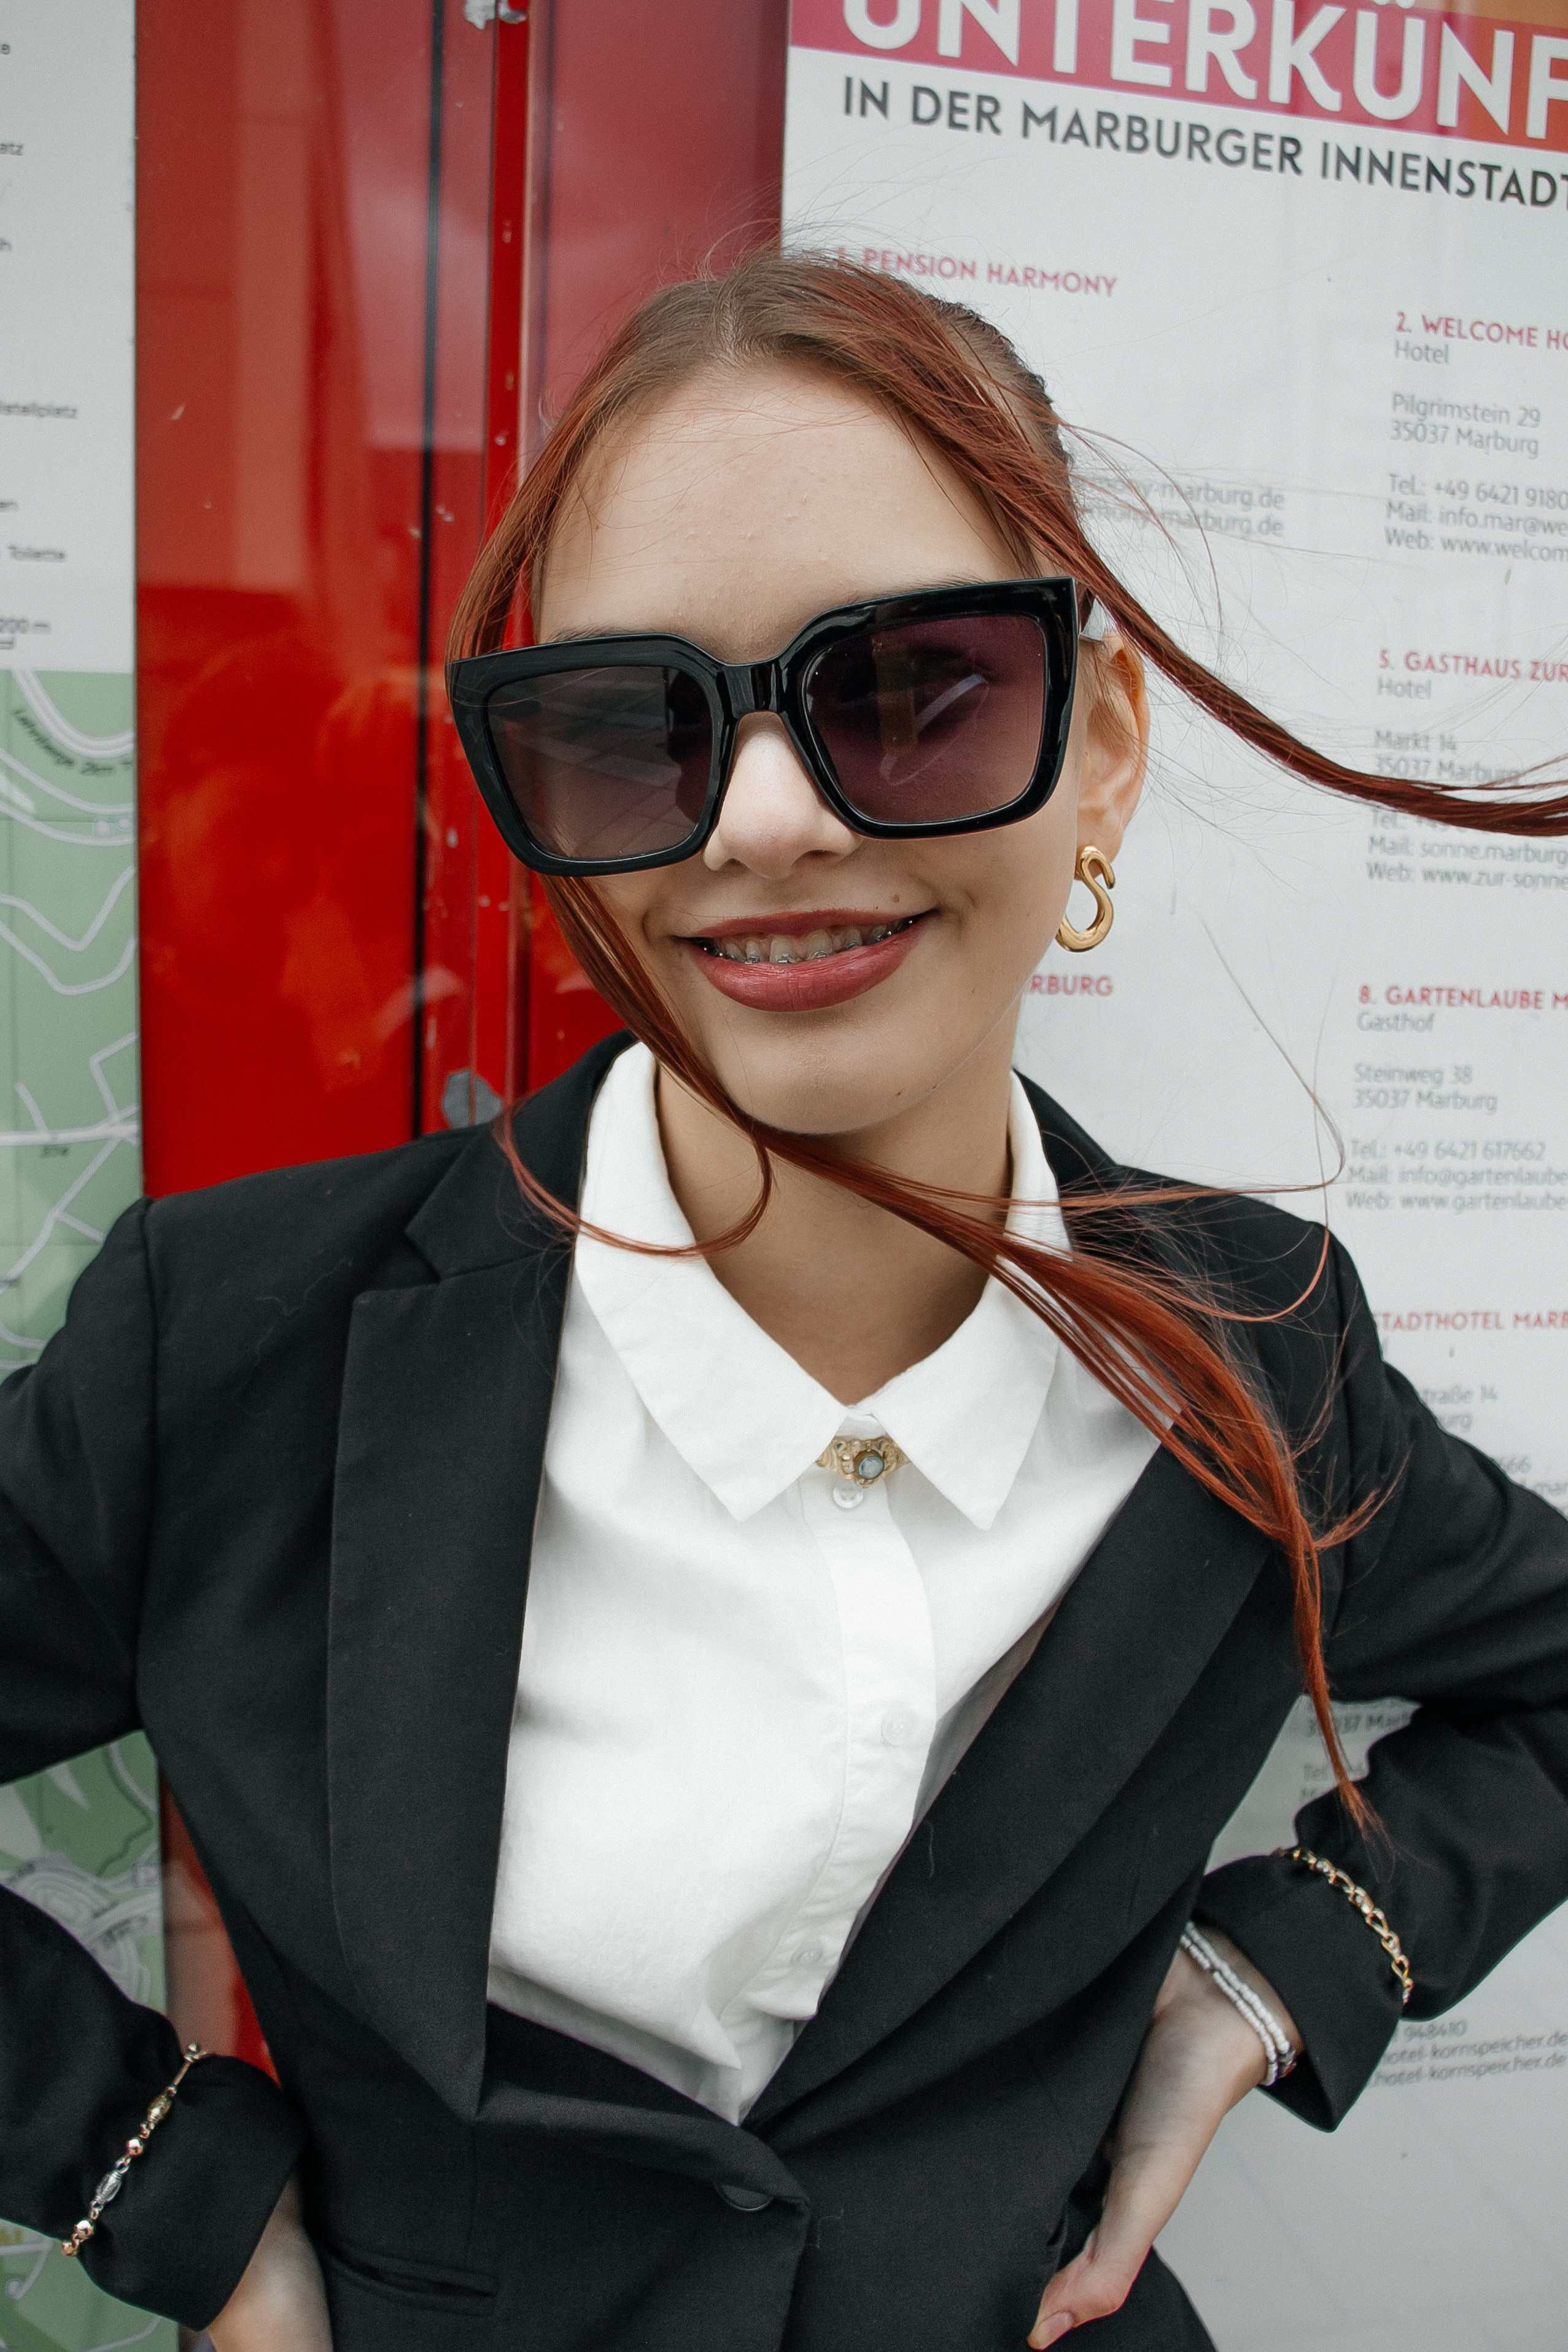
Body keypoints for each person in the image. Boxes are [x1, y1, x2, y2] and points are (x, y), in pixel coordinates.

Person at [2, 252, 1567, 2352]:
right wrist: (158, 2182)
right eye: (622, 728)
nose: (759, 819)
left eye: (913, 688)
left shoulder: (1254, 1344)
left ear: (1097, 749)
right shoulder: (238, 1346)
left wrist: (1285, 1969)